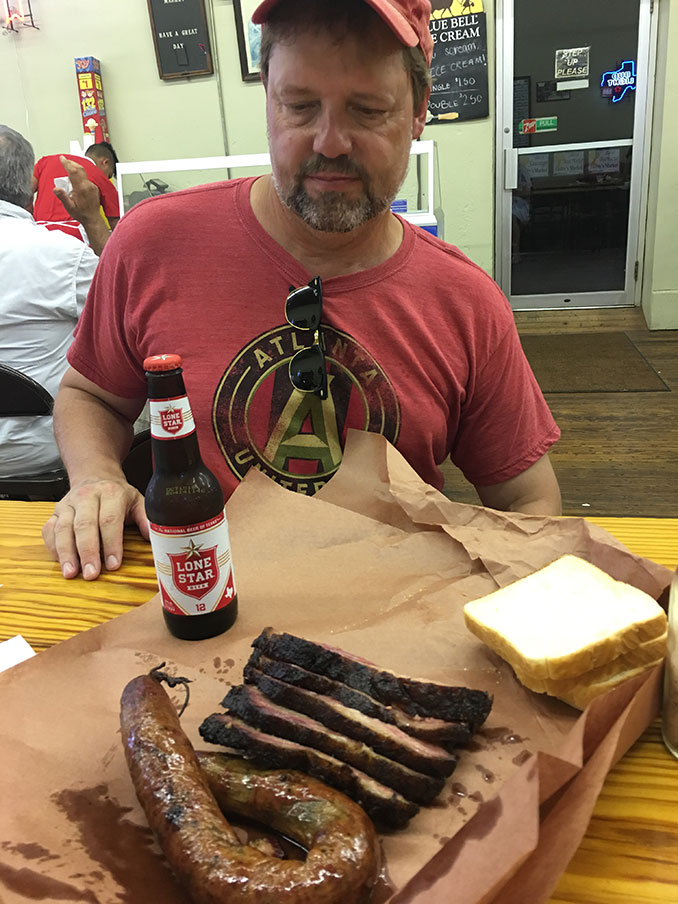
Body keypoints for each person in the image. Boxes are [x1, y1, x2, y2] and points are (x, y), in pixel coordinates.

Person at [43, 0, 562, 582]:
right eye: (299, 106)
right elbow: (92, 395)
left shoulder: (465, 301)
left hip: (396, 618)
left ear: (419, 111)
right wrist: (97, 477)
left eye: (366, 110)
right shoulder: (151, 243)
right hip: (199, 599)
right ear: (267, 97)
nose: (330, 141)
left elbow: (527, 502)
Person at [0, 125, 112, 479]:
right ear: (31, 185)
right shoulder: (65, 257)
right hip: (46, 452)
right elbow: (130, 311)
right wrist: (94, 221)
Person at [32, 141, 120, 242]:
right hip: (76, 237)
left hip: (39, 233)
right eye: (108, 175)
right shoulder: (99, 175)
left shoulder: (45, 161)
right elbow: (116, 223)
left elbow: (24, 191)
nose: (107, 179)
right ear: (105, 162)